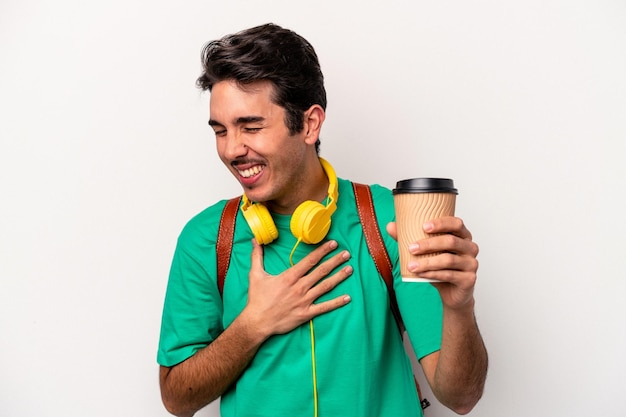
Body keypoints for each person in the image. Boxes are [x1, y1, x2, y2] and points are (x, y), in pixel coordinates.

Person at [157, 23, 487, 417]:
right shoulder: (206, 239)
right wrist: (252, 325)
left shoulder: (389, 219)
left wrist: (459, 307)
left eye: (251, 126)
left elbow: (461, 397)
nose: (232, 150)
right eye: (220, 131)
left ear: (310, 123)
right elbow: (176, 398)